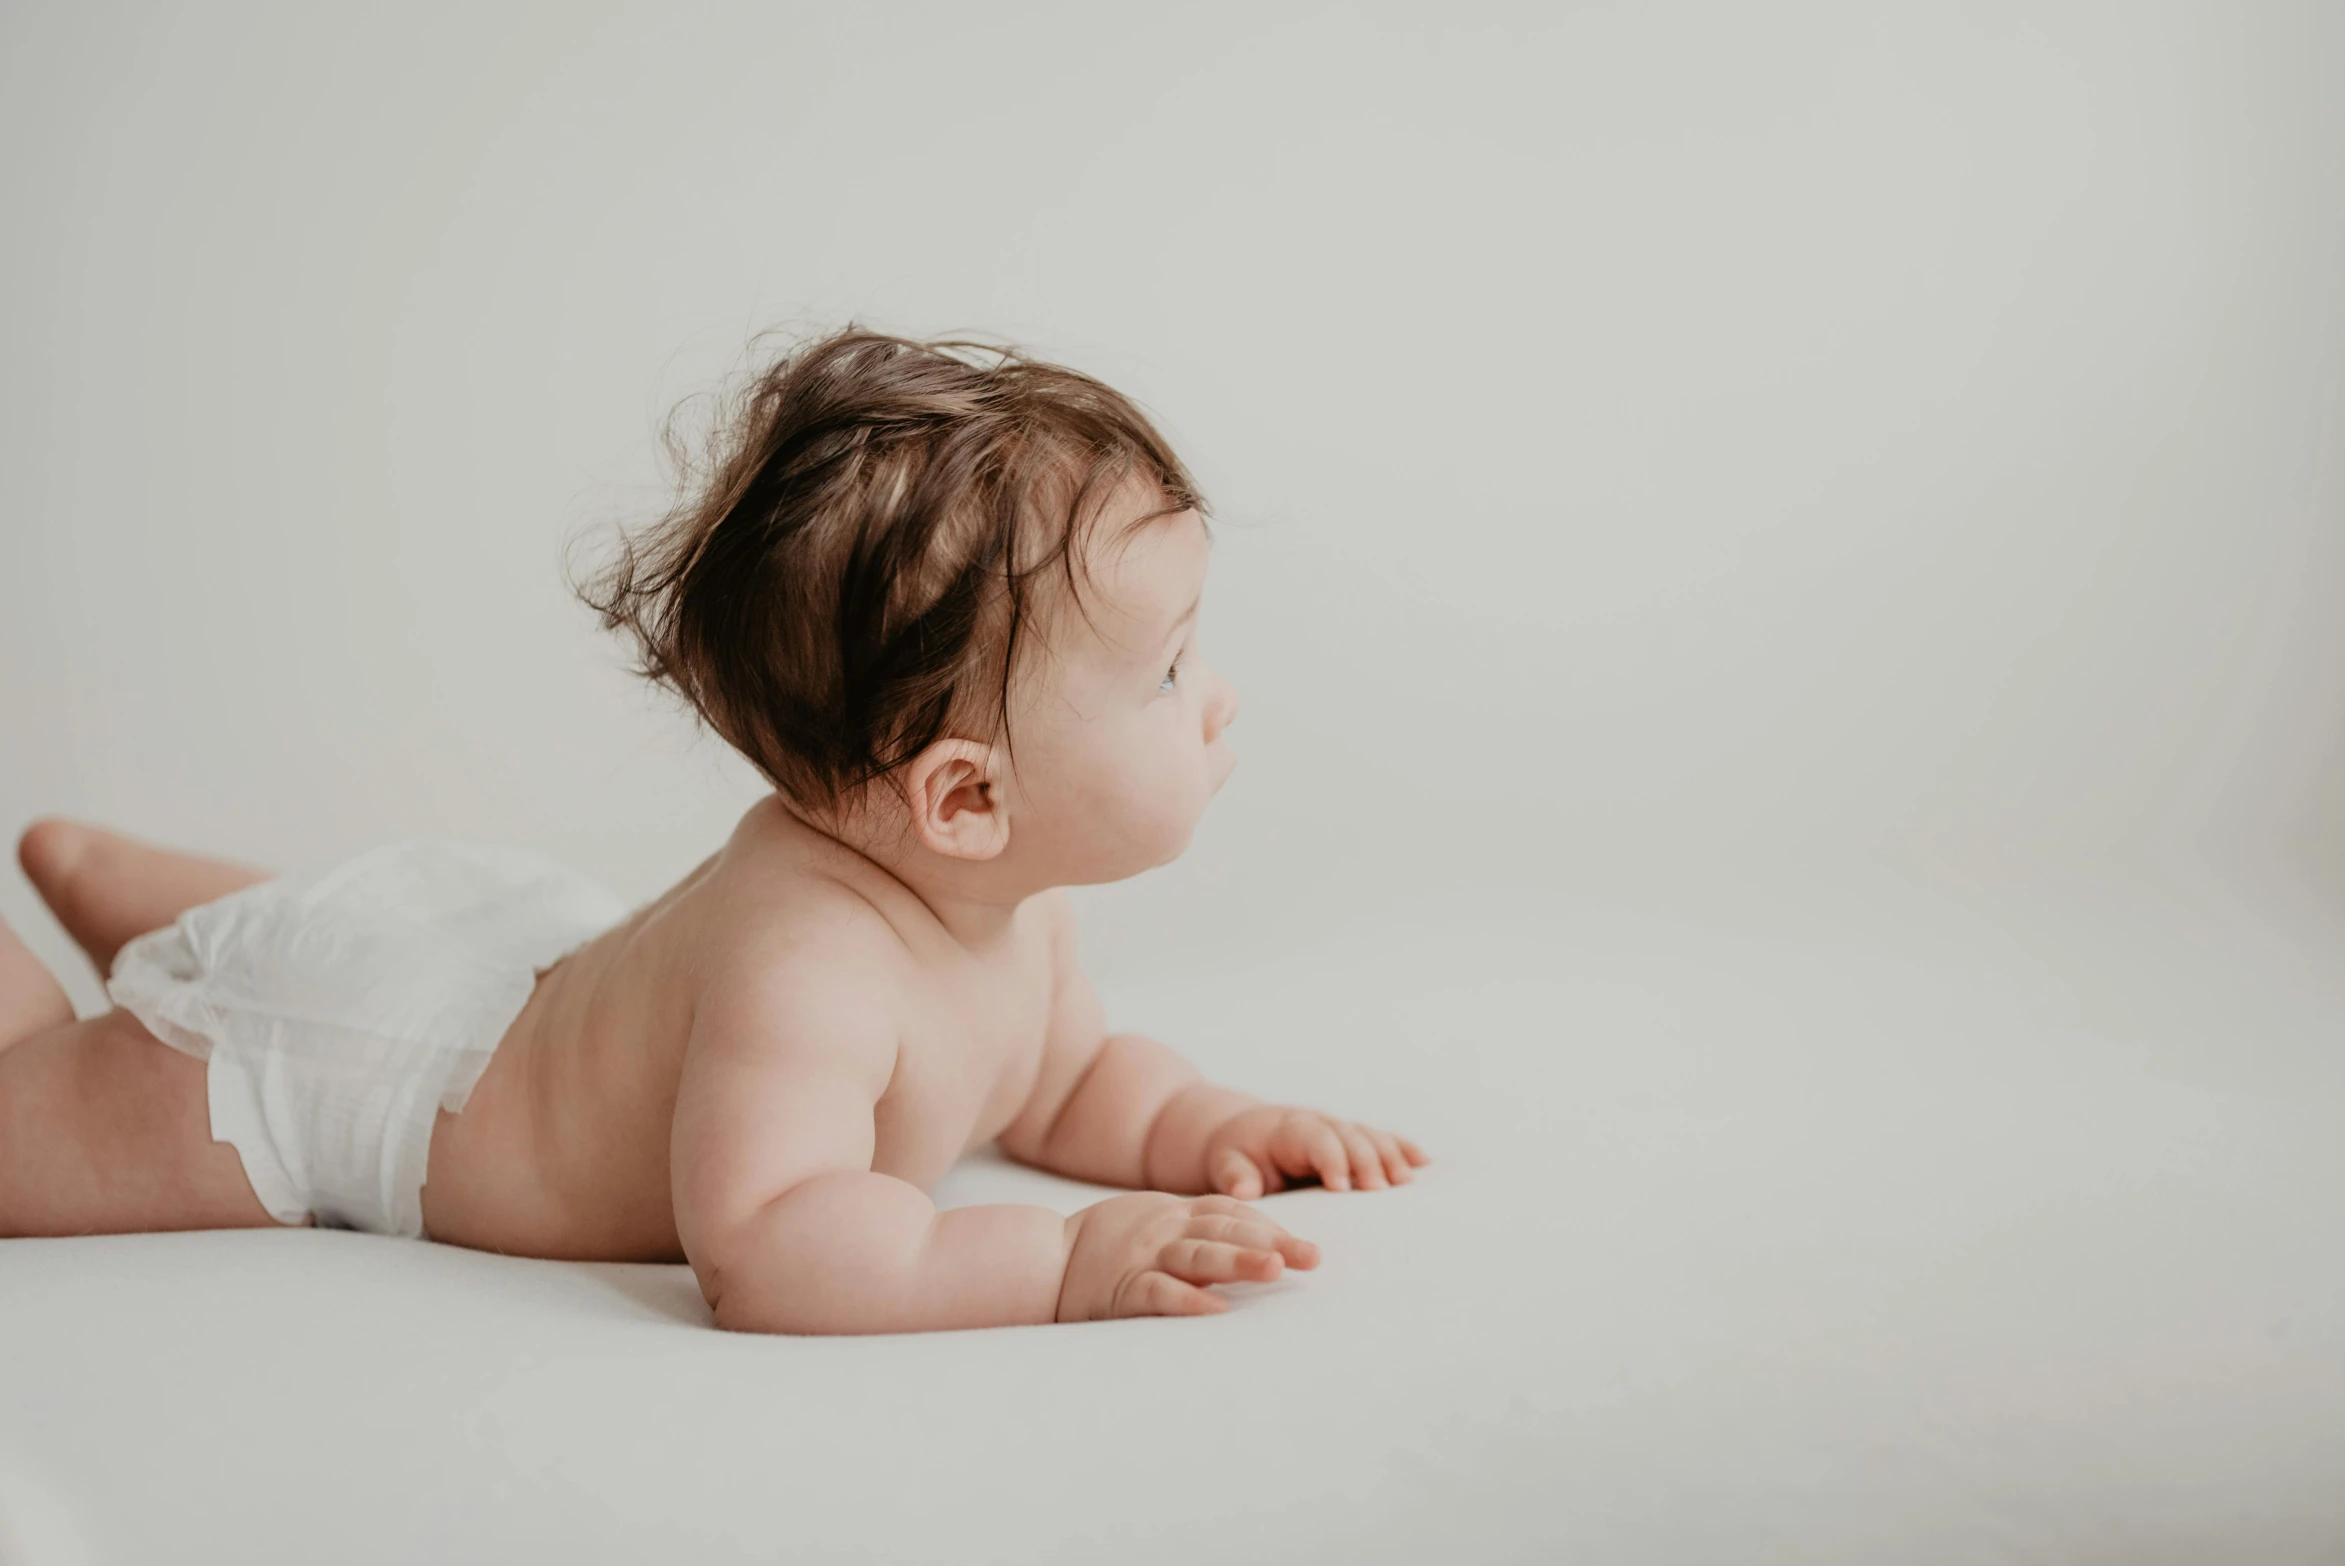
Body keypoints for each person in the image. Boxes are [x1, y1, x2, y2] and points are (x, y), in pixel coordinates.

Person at [0, 328, 1427, 1334]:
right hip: (373, 1074)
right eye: (1170, 671)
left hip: (482, 959)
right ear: (968, 797)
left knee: (319, 932)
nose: (1217, 696)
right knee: (35, 1124)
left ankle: (103, 876)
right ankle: (78, 973)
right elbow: (770, 1243)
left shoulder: (1004, 907)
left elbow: (1063, 1079)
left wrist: (1212, 1130)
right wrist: (1057, 1259)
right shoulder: (807, 970)